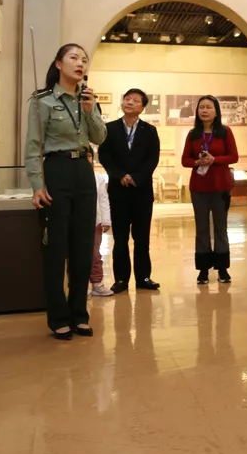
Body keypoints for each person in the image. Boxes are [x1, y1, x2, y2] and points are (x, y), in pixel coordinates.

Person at [25, 43, 107, 340]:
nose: (80, 63)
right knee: (56, 248)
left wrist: (90, 110)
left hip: (84, 172)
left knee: (83, 247)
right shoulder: (42, 101)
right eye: (74, 58)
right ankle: (58, 317)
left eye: (84, 59)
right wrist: (37, 185)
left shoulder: (88, 100)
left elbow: (100, 137)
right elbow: (33, 146)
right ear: (59, 64)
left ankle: (79, 315)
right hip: (56, 170)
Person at [98, 89, 161, 293]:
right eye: (127, 99)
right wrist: (120, 175)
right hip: (119, 191)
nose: (130, 102)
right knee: (120, 239)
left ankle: (143, 278)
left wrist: (137, 177)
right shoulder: (110, 128)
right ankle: (121, 280)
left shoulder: (149, 131)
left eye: (135, 100)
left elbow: (152, 158)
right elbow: (104, 155)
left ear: (142, 107)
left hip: (142, 191)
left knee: (142, 239)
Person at [181, 95, 239, 284]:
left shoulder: (225, 132)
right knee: (202, 228)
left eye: (209, 107)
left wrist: (215, 160)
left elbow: (234, 156)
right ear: (197, 111)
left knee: (221, 228)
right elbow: (185, 160)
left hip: (221, 187)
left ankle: (222, 269)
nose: (204, 110)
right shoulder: (193, 134)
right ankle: (203, 270)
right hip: (199, 188)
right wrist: (197, 162)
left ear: (216, 112)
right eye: (201, 107)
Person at [86, 147, 113, 297]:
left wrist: (106, 220)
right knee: (75, 254)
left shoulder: (98, 178)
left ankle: (97, 283)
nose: (87, 159)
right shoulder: (72, 178)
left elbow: (103, 199)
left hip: (95, 222)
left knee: (95, 254)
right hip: (77, 222)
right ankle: (77, 285)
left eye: (89, 156)